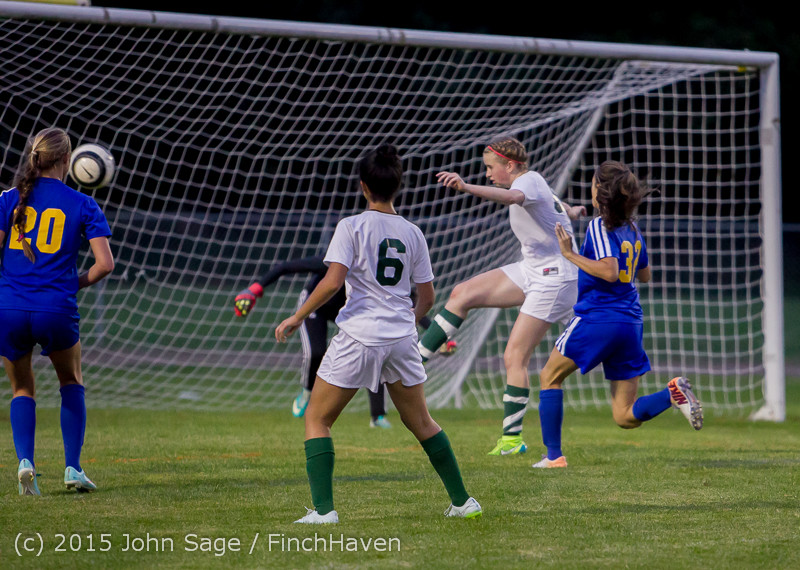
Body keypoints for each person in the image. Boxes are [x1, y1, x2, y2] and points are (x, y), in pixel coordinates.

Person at [275, 143, 481, 523]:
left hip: (359, 337)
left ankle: (324, 512)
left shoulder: (351, 226)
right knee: (422, 423)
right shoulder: (413, 232)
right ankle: (463, 501)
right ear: (397, 186)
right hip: (402, 340)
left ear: (363, 186)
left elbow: (332, 282)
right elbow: (428, 295)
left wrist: (297, 316)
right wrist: (406, 322)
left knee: (317, 420)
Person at [417, 136, 585, 456]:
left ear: (510, 165)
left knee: (514, 356)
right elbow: (555, 208)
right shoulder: (538, 185)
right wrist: (573, 213)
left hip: (556, 279)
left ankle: (511, 439)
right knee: (462, 293)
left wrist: (466, 187)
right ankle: (414, 362)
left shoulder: (528, 181)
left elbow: (514, 197)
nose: (488, 174)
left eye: (491, 168)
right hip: (534, 269)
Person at [531, 160, 703, 469]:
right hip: (630, 322)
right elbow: (646, 275)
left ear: (601, 193)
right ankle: (672, 393)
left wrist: (570, 254)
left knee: (549, 376)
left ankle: (554, 456)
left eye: (595, 183)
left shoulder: (599, 226)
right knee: (624, 416)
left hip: (599, 317)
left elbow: (610, 271)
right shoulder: (632, 229)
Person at [0, 127, 115, 495]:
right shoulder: (83, 203)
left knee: (21, 387)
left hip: (10, 308)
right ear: (67, 160)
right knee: (71, 382)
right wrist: (74, 283)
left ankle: (25, 462)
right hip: (57, 308)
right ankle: (73, 468)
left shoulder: (9, 199)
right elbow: (105, 264)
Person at [234, 255, 393, 427]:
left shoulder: (372, 272)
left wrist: (426, 328)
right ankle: (307, 392)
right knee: (316, 353)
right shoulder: (332, 263)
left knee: (372, 351)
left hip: (346, 311)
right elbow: (285, 267)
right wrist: (255, 289)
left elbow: (410, 299)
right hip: (315, 306)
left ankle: (377, 417)